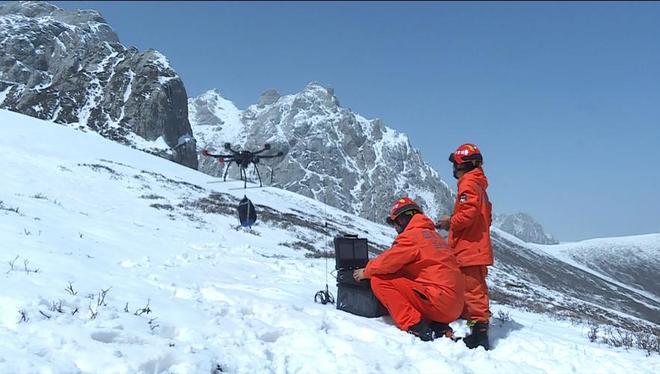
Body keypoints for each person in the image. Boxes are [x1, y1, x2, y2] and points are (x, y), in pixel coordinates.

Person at [353, 197, 465, 341]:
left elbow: (386, 264)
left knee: (379, 279)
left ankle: (416, 326)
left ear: (402, 220)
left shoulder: (412, 236)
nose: (396, 229)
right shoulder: (434, 236)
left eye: (396, 224)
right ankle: (437, 326)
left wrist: (364, 272)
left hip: (439, 304)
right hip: (454, 307)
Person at [436, 143, 493, 350]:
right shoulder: (479, 186)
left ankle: (480, 337)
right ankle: (474, 326)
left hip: (470, 249)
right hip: (474, 247)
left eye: (456, 164)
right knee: (472, 291)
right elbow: (486, 217)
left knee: (473, 293)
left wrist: (449, 222)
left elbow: (467, 215)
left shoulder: (468, 184)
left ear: (463, 164)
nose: (454, 169)